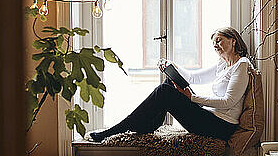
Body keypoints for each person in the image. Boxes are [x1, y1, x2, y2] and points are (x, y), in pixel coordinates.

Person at [89, 27, 251, 143]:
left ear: (233, 41)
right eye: (213, 43)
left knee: (164, 91)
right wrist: (171, 66)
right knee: (169, 83)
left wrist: (192, 98)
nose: (215, 45)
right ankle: (148, 124)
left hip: (221, 126)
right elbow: (194, 78)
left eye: (219, 41)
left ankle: (118, 129)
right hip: (212, 118)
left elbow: (228, 102)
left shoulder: (241, 65)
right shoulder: (222, 64)